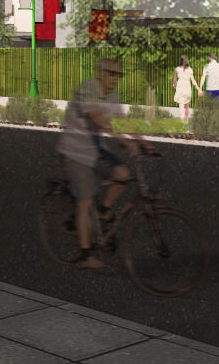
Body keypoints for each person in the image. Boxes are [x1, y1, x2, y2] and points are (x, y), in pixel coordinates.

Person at [56, 58, 154, 269]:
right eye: (111, 73)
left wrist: (143, 141)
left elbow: (121, 119)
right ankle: (85, 255)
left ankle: (102, 212)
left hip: (96, 149)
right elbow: (98, 118)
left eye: (118, 75)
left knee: (123, 174)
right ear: (100, 73)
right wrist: (124, 141)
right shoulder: (87, 89)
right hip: (75, 150)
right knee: (86, 200)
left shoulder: (113, 94)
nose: (114, 79)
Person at [173, 55, 195, 120]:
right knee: (187, 105)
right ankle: (187, 119)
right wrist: (197, 87)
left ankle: (182, 120)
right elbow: (193, 80)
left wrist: (174, 85)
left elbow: (175, 79)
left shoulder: (177, 69)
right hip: (187, 86)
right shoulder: (190, 69)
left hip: (180, 86)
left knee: (181, 104)